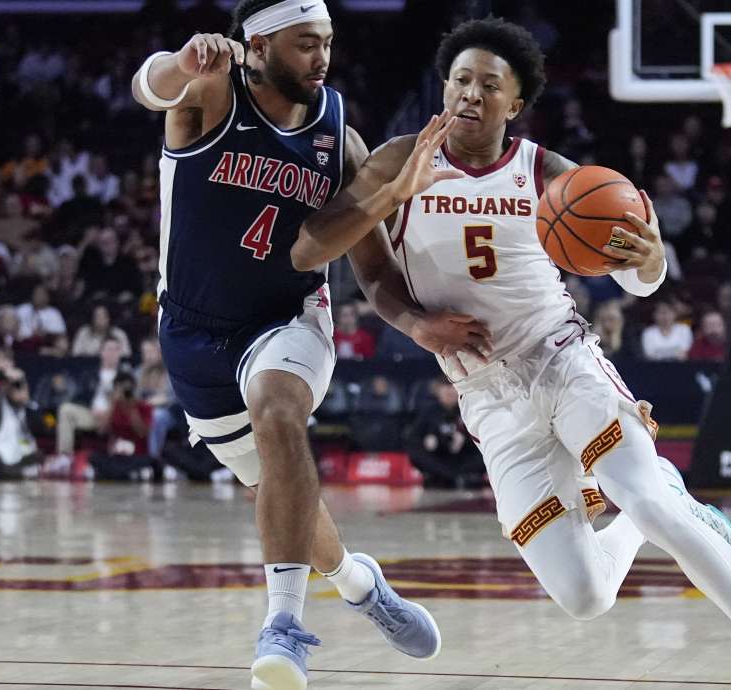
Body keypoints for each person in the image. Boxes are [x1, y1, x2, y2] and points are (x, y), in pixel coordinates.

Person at [293, 17, 731, 689]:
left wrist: (651, 261)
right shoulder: (398, 161)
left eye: (489, 85)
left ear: (515, 103)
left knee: (648, 505)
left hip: (561, 358)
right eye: (460, 80)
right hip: (486, 395)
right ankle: (664, 489)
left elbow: (638, 275)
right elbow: (367, 270)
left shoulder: (549, 174)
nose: (470, 94)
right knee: (584, 595)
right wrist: (418, 326)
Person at [130, 2, 469, 684]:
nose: (323, 58)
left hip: (289, 316)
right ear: (258, 45)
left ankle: (282, 628)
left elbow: (373, 268)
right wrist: (181, 61)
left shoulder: (340, 139)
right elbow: (149, 87)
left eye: (328, 43)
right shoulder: (210, 91)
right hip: (193, 335)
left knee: (280, 412)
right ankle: (358, 584)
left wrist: (416, 325)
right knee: (284, 496)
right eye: (306, 44)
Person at [406, 381, 484, 489]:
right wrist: (428, 441)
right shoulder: (429, 411)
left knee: (484, 451)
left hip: (463, 457)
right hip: (438, 457)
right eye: (446, 391)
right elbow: (413, 439)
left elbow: (480, 435)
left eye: (452, 390)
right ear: (438, 392)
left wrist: (465, 440)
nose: (449, 392)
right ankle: (450, 476)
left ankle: (462, 476)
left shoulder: (468, 409)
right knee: (415, 452)